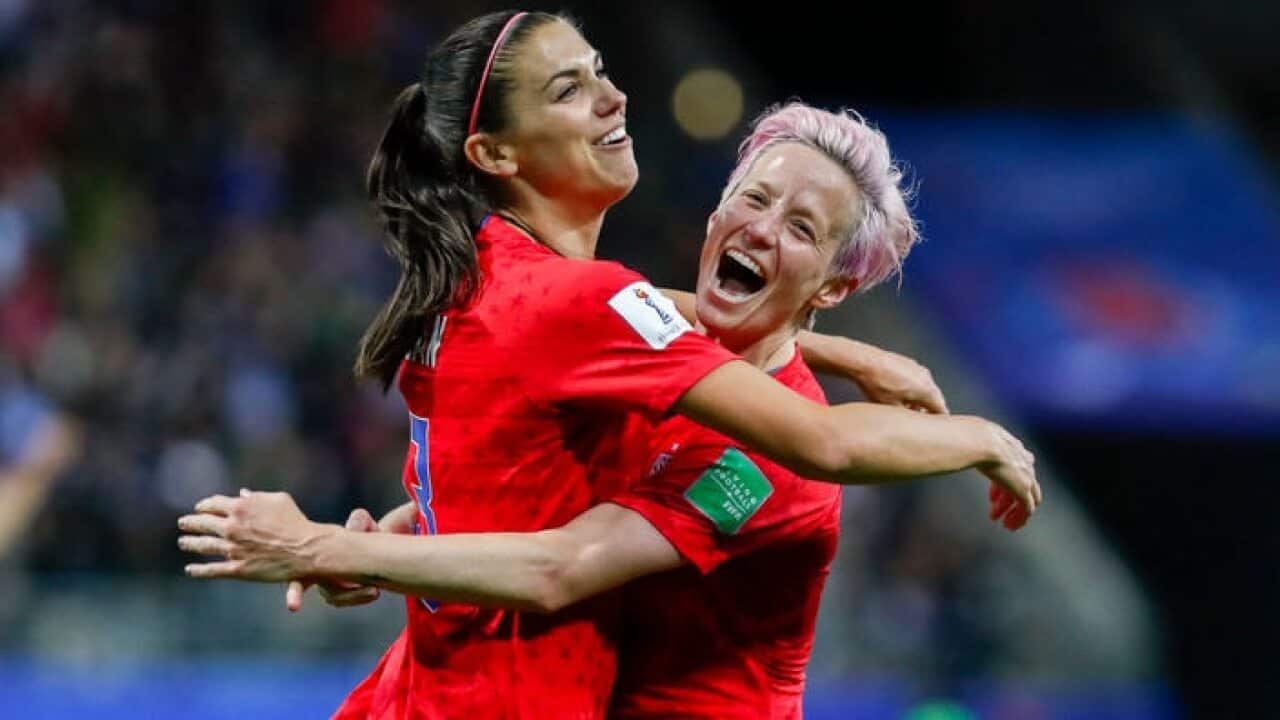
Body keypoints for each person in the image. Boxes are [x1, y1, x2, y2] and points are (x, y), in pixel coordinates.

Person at [179, 11, 1039, 719]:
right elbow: (566, 398)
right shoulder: (597, 318)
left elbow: (571, 557)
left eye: (804, 230)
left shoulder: (512, 277)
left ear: (834, 285)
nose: (613, 94)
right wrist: (352, 547)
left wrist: (338, 549)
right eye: (753, 198)